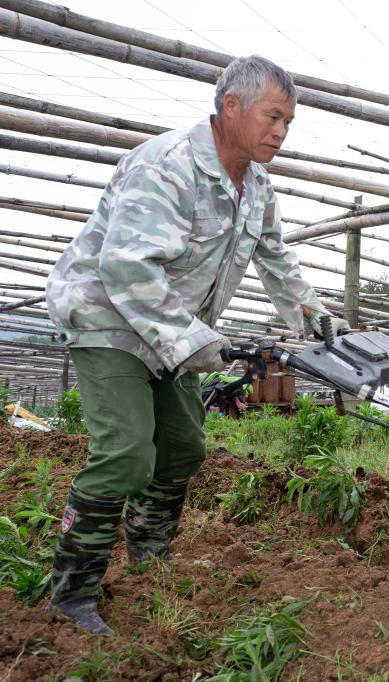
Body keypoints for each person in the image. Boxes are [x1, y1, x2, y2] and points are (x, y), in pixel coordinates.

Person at [44, 55, 344, 635]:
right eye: (273, 116)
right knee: (127, 454)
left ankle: (150, 556)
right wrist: (196, 341)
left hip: (175, 329)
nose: (281, 131)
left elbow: (278, 260)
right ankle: (71, 594)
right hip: (108, 318)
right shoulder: (168, 165)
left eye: (288, 121)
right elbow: (126, 267)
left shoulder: (257, 187)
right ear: (231, 106)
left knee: (183, 448)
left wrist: (318, 317)